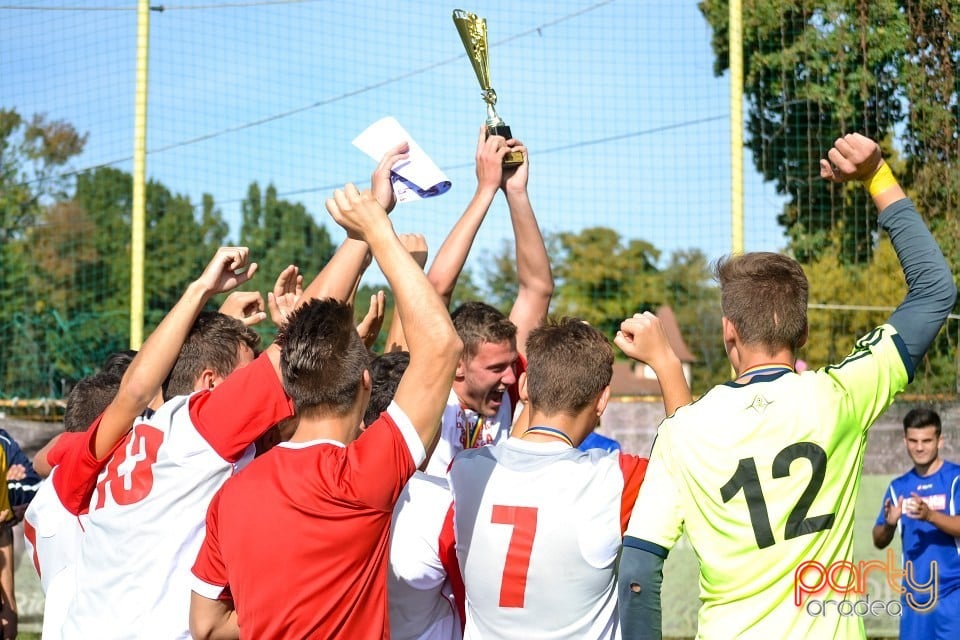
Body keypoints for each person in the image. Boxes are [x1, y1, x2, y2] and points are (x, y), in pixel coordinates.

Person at [618, 133, 957, 639]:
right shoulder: (841, 397)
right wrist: (875, 175)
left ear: (727, 330)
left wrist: (666, 361)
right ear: (803, 333)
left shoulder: (683, 433)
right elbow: (935, 290)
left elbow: (640, 571)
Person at [188, 183, 462, 639]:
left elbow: (206, 626)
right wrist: (378, 231)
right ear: (365, 383)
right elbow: (440, 345)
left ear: (291, 389)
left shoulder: (232, 492)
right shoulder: (363, 474)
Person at [446, 314, 690, 639]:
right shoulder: (613, 478)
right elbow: (688, 462)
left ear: (523, 387)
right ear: (603, 400)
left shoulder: (464, 470)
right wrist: (665, 362)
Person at [421, 127, 553, 477]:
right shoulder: (427, 382)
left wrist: (516, 192)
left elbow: (536, 288)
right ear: (457, 365)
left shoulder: (509, 393)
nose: (511, 378)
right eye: (496, 368)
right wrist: (484, 190)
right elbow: (435, 290)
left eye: (509, 364)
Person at [873, 407, 960, 638]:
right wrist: (890, 524)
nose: (919, 447)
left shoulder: (955, 479)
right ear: (905, 440)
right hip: (915, 598)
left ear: (940, 441)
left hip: (953, 595)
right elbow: (878, 540)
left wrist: (931, 515)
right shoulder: (898, 487)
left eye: (926, 440)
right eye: (913, 440)